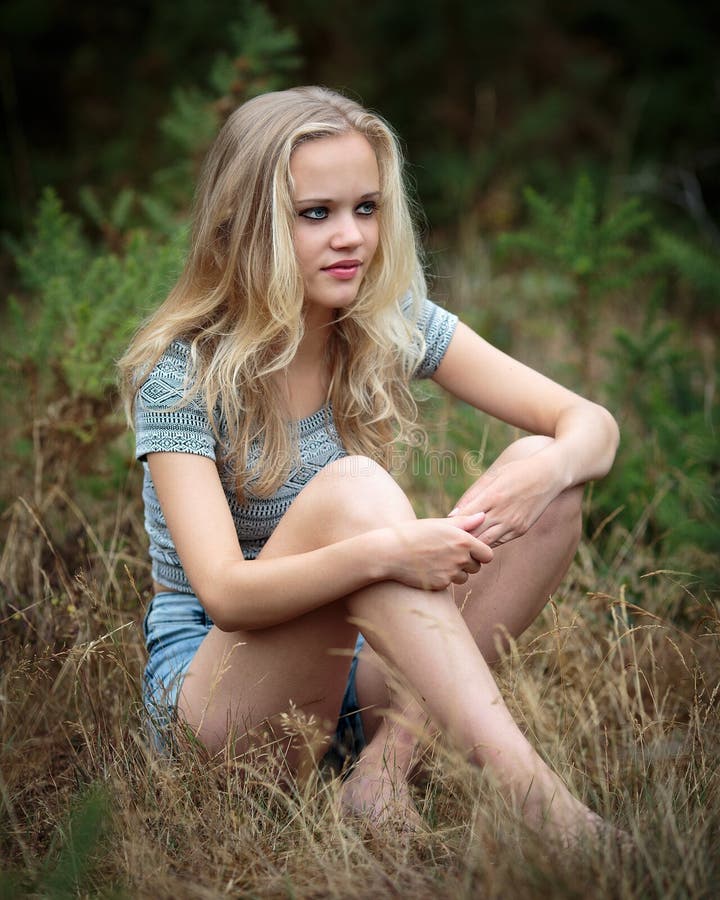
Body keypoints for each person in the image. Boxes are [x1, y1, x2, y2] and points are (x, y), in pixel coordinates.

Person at [119, 85, 620, 845]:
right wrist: (388, 551)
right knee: (356, 491)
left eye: (367, 207)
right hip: (225, 706)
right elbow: (225, 594)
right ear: (246, 223)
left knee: (548, 471)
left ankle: (384, 771)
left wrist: (546, 474)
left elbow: (592, 425)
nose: (351, 236)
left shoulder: (386, 324)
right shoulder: (183, 378)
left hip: (356, 679)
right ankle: (540, 804)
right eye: (316, 213)